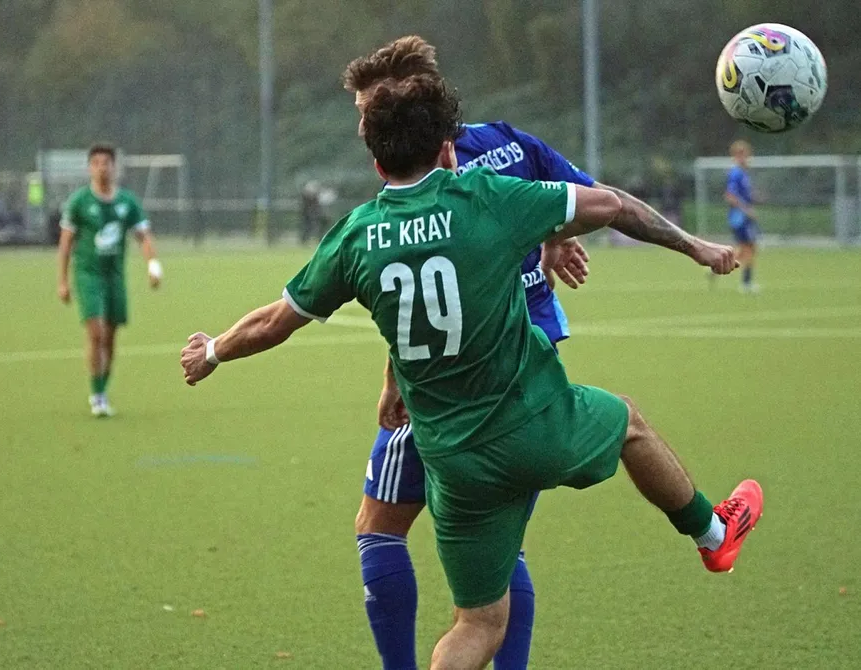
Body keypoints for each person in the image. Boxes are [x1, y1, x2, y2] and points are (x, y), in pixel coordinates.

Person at [180, 76, 761, 670]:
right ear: (446, 148)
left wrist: (213, 352)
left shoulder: (355, 236)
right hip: (535, 424)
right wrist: (684, 245)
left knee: (478, 623)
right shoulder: (487, 197)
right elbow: (612, 206)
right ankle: (713, 536)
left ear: (378, 164)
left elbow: (275, 321)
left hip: (454, 462)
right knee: (630, 424)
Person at [342, 35, 718, 670]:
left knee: (380, 528)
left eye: (368, 106)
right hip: (530, 360)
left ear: (409, 99)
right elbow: (586, 202)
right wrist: (554, 238)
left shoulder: (429, 172)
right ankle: (710, 531)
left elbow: (432, 298)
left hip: (459, 380)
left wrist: (392, 381)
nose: (363, 124)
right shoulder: (511, 142)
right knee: (502, 543)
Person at [57, 144, 163, 416]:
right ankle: (97, 395)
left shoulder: (127, 202)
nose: (102, 167)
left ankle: (103, 388)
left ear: (114, 167)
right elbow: (66, 242)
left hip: (114, 277)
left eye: (107, 162)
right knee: (96, 333)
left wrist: (153, 265)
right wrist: (63, 281)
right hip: (87, 275)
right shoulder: (80, 202)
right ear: (90, 167)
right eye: (97, 163)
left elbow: (143, 236)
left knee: (111, 336)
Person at [725, 140, 759, 293]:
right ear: (736, 156)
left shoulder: (743, 174)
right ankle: (746, 283)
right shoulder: (736, 173)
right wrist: (746, 210)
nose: (745, 158)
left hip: (743, 216)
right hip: (740, 217)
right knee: (749, 247)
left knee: (747, 248)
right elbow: (730, 196)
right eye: (742, 155)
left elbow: (742, 195)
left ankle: (717, 266)